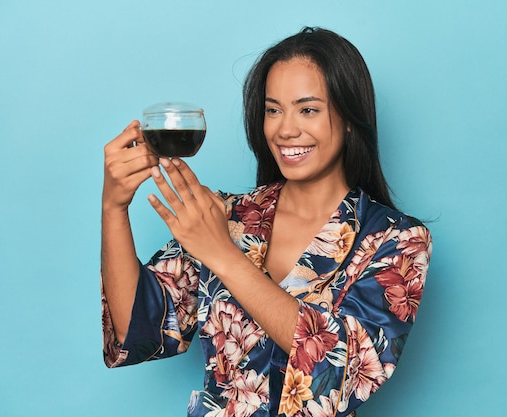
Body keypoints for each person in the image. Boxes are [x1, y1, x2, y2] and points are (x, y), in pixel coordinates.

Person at [100, 27, 432, 417]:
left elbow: (343, 369)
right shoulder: (225, 215)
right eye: (273, 109)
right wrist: (114, 208)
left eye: (308, 109)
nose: (285, 129)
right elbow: (135, 330)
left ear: (348, 118)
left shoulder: (397, 239)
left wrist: (223, 254)